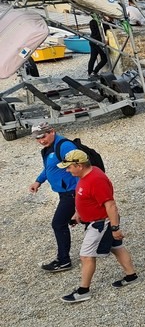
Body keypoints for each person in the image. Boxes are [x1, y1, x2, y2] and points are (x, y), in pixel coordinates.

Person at [57, 149, 138, 303]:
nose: (67, 170)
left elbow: (111, 206)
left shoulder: (96, 180)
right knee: (117, 247)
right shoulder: (88, 174)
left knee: (86, 256)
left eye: (69, 167)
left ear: (79, 165)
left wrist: (115, 228)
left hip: (100, 224)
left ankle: (83, 291)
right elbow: (88, 198)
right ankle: (131, 275)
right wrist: (78, 214)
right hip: (97, 221)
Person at [29, 123, 79, 273]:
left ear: (52, 131)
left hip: (72, 193)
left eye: (43, 136)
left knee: (58, 224)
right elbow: (49, 168)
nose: (41, 141)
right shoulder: (48, 148)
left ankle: (63, 261)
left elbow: (80, 171)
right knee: (88, 218)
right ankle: (108, 244)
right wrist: (39, 180)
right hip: (65, 192)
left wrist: (79, 203)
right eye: (37, 138)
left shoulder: (65, 146)